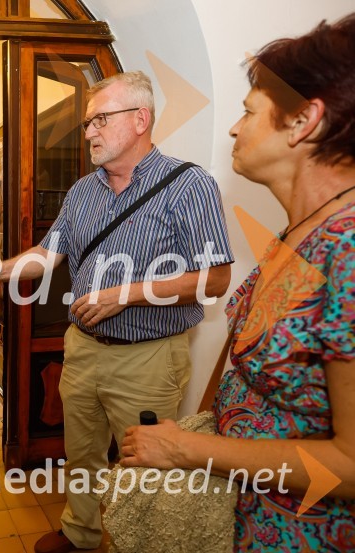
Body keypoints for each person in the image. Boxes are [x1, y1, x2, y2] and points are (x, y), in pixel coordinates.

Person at [0, 71, 234, 553]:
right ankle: (81, 533)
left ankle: (142, 544)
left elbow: (215, 280)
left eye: (99, 120)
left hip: (149, 358)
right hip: (83, 350)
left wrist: (126, 294)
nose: (87, 132)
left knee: (146, 465)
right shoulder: (83, 192)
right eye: (87, 122)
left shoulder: (188, 185)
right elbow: (47, 256)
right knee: (81, 453)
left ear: (140, 119)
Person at [120, 15, 355, 552]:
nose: (232, 128)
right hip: (246, 515)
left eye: (248, 113)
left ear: (302, 122)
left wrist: (182, 450)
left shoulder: (347, 248)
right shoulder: (296, 234)